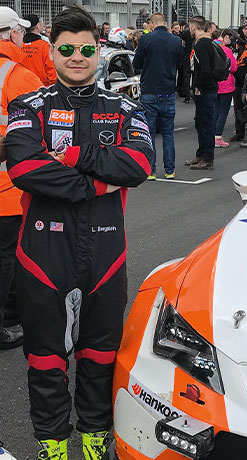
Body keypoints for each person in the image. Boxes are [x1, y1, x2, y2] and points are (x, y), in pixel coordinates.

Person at [5, 6, 151, 460]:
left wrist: (66, 157)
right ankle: (51, 445)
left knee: (99, 354)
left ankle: (93, 438)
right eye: (66, 48)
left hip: (106, 248)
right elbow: (25, 167)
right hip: (43, 249)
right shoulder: (28, 104)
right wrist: (99, 181)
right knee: (46, 359)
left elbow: (140, 166)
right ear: (53, 50)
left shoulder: (125, 107)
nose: (76, 56)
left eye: (85, 49)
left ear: (98, 51)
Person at [0, 7, 43, 350]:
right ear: (13, 34)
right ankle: (6, 322)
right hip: (7, 189)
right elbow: (44, 132)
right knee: (8, 256)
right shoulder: (18, 76)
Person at [133, 12, 182, 179]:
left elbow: (136, 63)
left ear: (152, 24)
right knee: (168, 133)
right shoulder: (175, 40)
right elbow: (181, 64)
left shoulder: (146, 39)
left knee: (149, 133)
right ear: (165, 24)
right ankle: (170, 170)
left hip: (149, 90)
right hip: (168, 90)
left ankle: (151, 171)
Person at [187, 15, 218, 170]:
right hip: (208, 88)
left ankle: (207, 157)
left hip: (206, 89)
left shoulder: (202, 44)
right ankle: (201, 154)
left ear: (194, 27)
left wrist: (198, 86)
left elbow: (205, 69)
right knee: (200, 123)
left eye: (190, 26)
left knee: (205, 124)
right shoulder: (204, 42)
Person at [213, 29, 237, 147]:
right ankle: (218, 137)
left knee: (215, 111)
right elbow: (233, 68)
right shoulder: (227, 50)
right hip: (226, 85)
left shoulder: (211, 47)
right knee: (223, 112)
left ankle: (212, 135)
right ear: (225, 37)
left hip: (214, 84)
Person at [22, 14, 56, 86]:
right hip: (41, 88)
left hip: (22, 86)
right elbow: (51, 69)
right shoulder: (44, 46)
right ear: (37, 26)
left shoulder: (18, 46)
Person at [179, 21, 193, 103]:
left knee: (186, 76)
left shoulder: (186, 34)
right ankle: (194, 93)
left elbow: (183, 43)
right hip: (194, 55)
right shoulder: (197, 35)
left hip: (187, 56)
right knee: (195, 75)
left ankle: (187, 95)